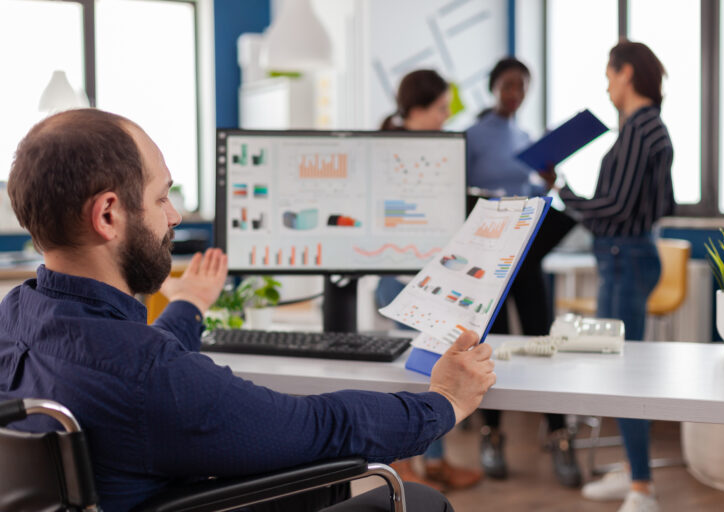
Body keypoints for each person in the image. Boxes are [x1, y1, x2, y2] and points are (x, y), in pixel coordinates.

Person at [0, 108, 496, 512]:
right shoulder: (147, 376)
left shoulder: (15, 316)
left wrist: (190, 303)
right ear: (108, 214)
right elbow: (321, 426)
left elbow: (136, 370)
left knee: (315, 485)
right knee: (421, 500)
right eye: (161, 197)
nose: (174, 215)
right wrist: (444, 402)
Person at [557, 40, 674, 512]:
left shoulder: (641, 130)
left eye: (609, 76)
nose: (607, 87)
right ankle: (632, 471)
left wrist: (565, 193)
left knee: (625, 374)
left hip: (625, 258)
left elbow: (617, 206)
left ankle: (642, 488)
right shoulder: (645, 129)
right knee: (618, 370)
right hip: (625, 256)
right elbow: (657, 203)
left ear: (626, 73)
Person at [465, 57, 579, 487]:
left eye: (523, 86)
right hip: (488, 257)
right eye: (509, 85)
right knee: (489, 347)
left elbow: (530, 193)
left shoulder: (527, 138)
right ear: (494, 87)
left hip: (525, 254)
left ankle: (559, 434)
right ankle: (492, 436)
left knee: (540, 340)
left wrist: (547, 184)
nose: (516, 93)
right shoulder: (473, 136)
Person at [376, 69, 484, 492]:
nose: (445, 117)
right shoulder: (390, 153)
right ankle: (402, 467)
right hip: (403, 280)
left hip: (438, 279)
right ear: (417, 108)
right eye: (440, 109)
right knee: (409, 377)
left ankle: (435, 463)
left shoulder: (439, 151)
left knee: (437, 372)